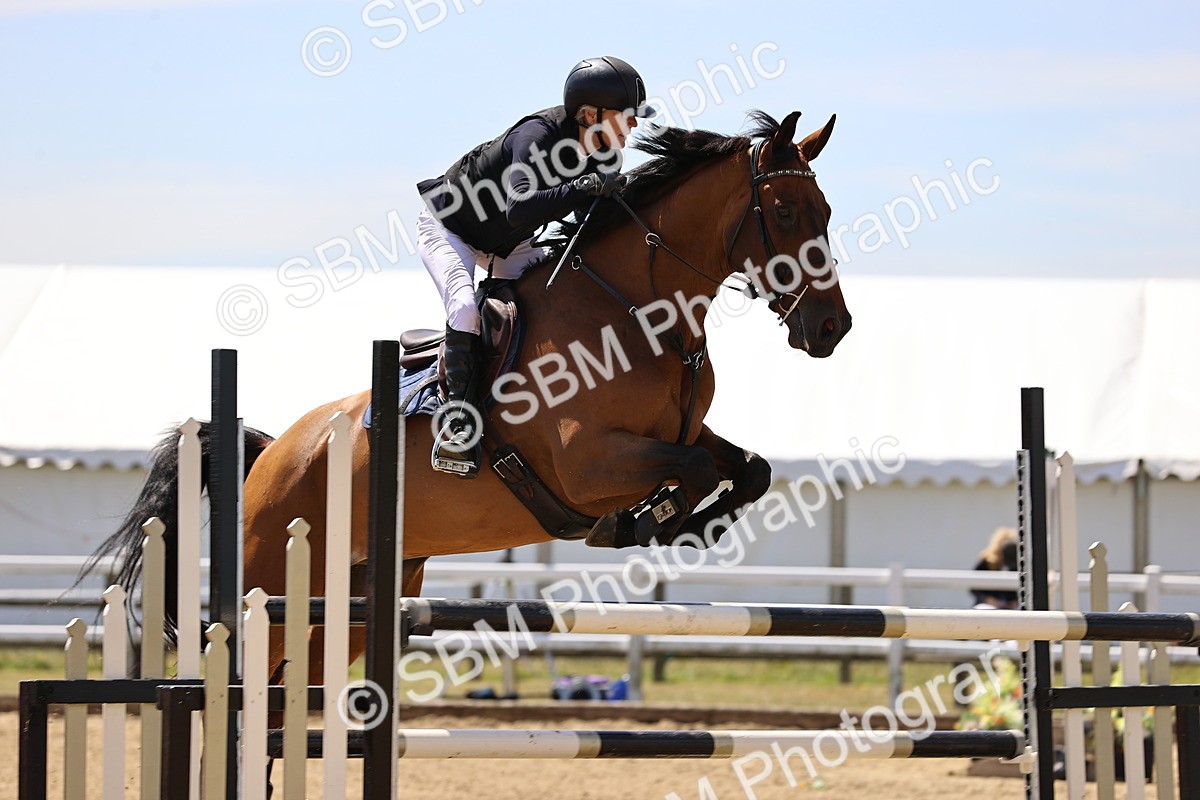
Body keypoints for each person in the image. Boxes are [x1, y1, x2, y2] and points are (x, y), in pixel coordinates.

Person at [415, 56, 655, 477]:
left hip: (510, 244)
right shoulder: (536, 135)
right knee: (465, 309)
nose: (633, 126)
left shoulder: (604, 157)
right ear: (589, 115)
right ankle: (456, 424)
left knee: (551, 296)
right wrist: (583, 187)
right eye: (627, 116)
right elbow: (519, 207)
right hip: (451, 227)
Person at [970, 527, 1020, 609]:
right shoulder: (987, 561)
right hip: (989, 604)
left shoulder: (1018, 563)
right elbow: (974, 587)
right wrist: (989, 600)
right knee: (985, 609)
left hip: (1012, 605)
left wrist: (1016, 601)